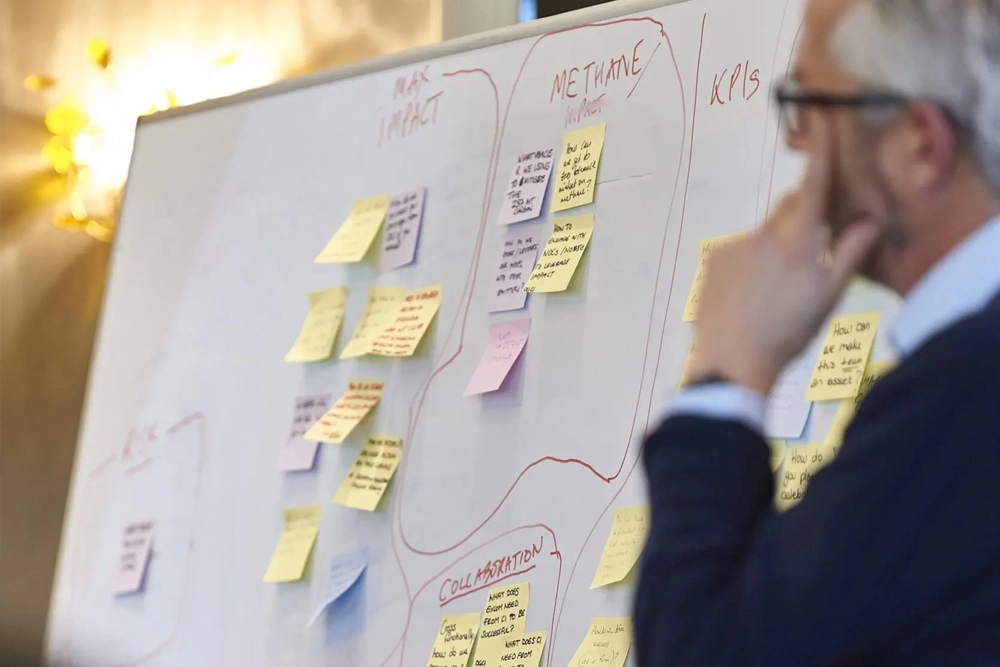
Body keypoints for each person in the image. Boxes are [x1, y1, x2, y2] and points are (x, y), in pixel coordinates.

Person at [633, 0, 1000, 664]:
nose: (796, 141)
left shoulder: (965, 393)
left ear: (920, 145)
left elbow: (708, 649)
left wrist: (724, 376)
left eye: (810, 104)